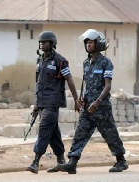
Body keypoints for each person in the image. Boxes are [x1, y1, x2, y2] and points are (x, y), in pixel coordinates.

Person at [57, 29, 128, 174]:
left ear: (98, 44)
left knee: (110, 134)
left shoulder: (105, 63)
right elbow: (86, 83)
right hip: (87, 107)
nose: (88, 45)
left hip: (101, 107)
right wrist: (81, 98)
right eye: (87, 42)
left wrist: (98, 101)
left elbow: (108, 85)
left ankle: (121, 161)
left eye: (91, 42)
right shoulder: (86, 63)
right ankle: (72, 162)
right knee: (80, 133)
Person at [26, 31, 80, 174]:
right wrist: (36, 104)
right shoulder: (39, 60)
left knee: (44, 129)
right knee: (53, 131)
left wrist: (76, 100)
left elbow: (70, 79)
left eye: (45, 42)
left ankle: (35, 161)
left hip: (53, 102)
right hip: (42, 103)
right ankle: (61, 160)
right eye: (41, 42)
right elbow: (38, 83)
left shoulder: (60, 61)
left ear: (52, 44)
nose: (42, 44)